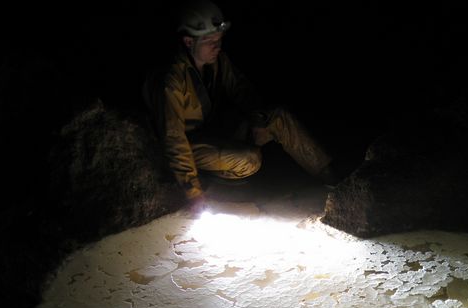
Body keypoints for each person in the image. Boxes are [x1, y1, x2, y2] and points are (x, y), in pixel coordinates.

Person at [143, 0, 339, 209]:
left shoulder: (217, 62)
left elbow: (242, 90)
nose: (217, 47)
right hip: (189, 145)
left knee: (277, 116)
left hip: (213, 132)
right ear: (189, 42)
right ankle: (207, 182)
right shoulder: (171, 80)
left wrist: (257, 119)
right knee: (249, 160)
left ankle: (331, 177)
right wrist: (193, 192)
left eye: (219, 40)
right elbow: (173, 138)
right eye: (210, 41)